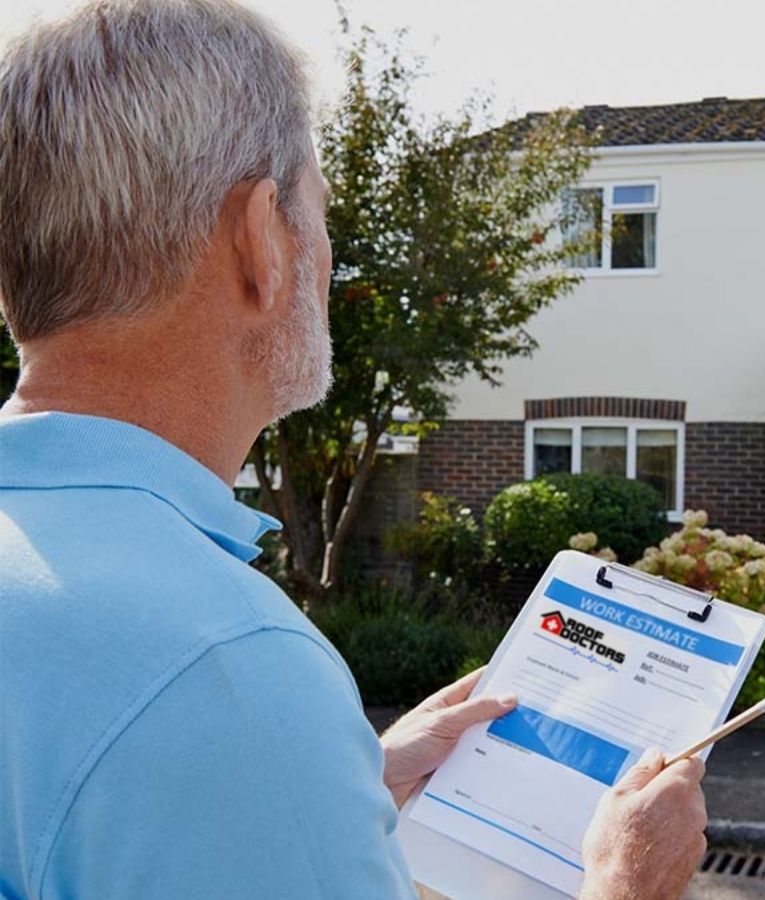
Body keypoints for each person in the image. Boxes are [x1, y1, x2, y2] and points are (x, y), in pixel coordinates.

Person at [0, 2, 708, 898]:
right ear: (261, 238)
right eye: (318, 211)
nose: (328, 255)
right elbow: (180, 728)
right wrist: (624, 887)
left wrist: (327, 794)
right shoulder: (223, 669)